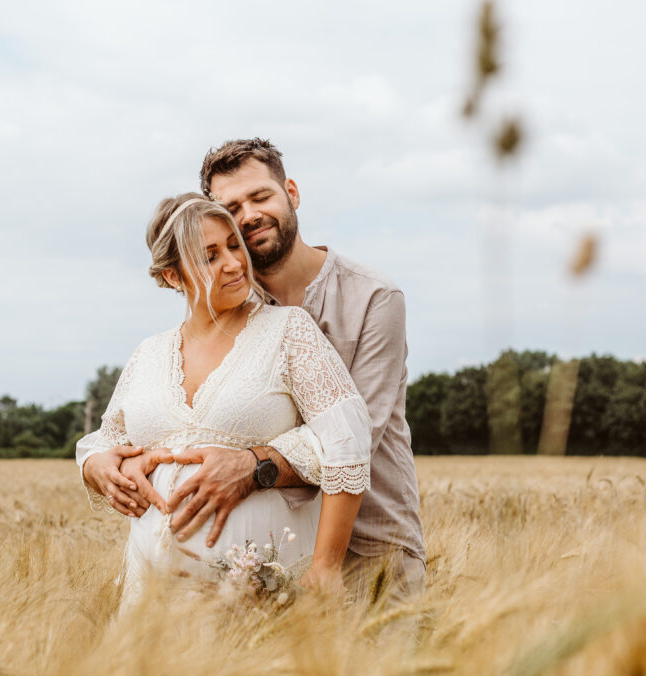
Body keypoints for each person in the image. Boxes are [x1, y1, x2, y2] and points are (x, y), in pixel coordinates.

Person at [96, 139, 427, 601]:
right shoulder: (230, 306)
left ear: (291, 192)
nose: (249, 215)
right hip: (268, 560)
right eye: (233, 208)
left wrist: (251, 466)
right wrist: (110, 462)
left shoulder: (372, 297)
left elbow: (355, 438)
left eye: (260, 196)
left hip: (372, 542)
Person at [76, 193, 373, 603]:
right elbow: (106, 440)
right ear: (172, 276)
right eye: (210, 256)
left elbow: (347, 442)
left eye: (235, 246)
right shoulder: (148, 354)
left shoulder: (289, 331)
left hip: (262, 599)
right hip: (151, 603)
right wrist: (97, 466)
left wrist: (325, 568)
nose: (234, 263)